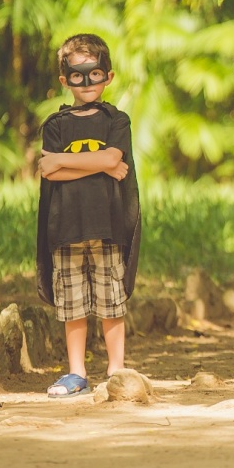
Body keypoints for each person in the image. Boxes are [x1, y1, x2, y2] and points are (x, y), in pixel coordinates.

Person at [35, 33, 141, 397]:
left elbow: (114, 159)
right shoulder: (55, 125)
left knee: (111, 299)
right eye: (77, 76)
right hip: (66, 226)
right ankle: (76, 372)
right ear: (65, 80)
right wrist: (99, 166)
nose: (86, 83)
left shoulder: (117, 120)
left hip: (107, 225)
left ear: (108, 76)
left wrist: (64, 160)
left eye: (94, 74)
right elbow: (50, 172)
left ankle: (116, 369)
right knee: (73, 301)